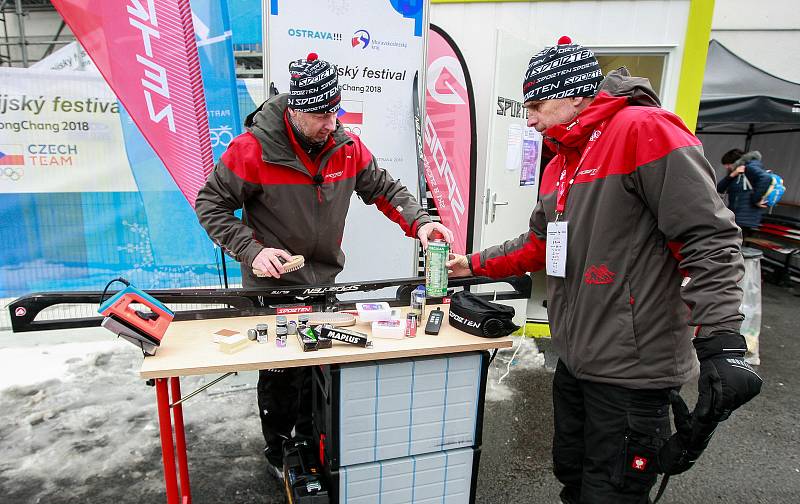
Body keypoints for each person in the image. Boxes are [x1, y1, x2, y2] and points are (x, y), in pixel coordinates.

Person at [447, 38, 762, 504]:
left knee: (611, 492)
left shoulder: (645, 130)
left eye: (535, 104)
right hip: (576, 359)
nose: (528, 118)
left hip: (632, 370)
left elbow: (707, 237)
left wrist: (721, 340)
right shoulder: (562, 160)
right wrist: (471, 264)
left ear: (575, 95)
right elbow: (537, 243)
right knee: (572, 477)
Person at [195, 52, 452, 480]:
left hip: (323, 285)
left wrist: (421, 223)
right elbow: (211, 205)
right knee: (282, 379)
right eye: (319, 114)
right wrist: (252, 250)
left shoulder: (346, 146)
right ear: (293, 109)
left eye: (334, 111)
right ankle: (279, 452)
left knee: (321, 372)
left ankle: (315, 444)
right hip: (272, 288)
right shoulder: (252, 150)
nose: (330, 123)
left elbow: (385, 189)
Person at [717, 149, 772, 234]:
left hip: (745, 218)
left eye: (728, 164)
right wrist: (732, 175)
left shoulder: (749, 167)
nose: (726, 167)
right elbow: (720, 188)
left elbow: (766, 178)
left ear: (736, 161)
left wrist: (756, 200)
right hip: (738, 216)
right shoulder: (738, 171)